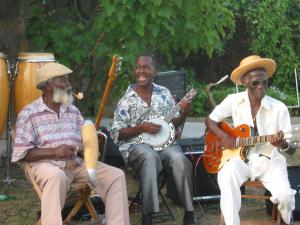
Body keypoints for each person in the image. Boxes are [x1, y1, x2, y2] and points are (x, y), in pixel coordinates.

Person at [11, 62, 130, 225]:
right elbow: (22, 154)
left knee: (116, 176)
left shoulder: (72, 111)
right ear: (47, 86)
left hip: (76, 164)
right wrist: (54, 152)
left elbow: (83, 143)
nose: (69, 84)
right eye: (63, 80)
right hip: (46, 166)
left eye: (68, 80)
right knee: (56, 177)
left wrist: (90, 145)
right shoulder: (29, 114)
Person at [205, 55, 296, 225]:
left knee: (285, 196)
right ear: (245, 82)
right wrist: (223, 136)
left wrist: (282, 143)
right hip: (240, 160)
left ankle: (286, 221)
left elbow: (292, 149)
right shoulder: (233, 101)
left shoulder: (279, 108)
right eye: (255, 83)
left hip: (271, 163)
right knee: (226, 174)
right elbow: (209, 120)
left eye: (265, 82)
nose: (261, 86)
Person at [111, 54, 198, 225]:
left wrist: (185, 111)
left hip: (163, 144)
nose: (141, 71)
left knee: (179, 159)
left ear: (155, 71)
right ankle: (147, 216)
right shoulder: (126, 100)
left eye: (146, 67)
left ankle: (189, 213)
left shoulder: (164, 93)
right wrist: (142, 128)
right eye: (138, 67)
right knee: (149, 157)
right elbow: (117, 133)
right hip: (136, 145)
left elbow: (175, 123)